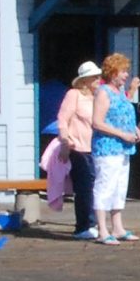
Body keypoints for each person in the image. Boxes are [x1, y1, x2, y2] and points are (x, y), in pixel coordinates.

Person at [89, 54, 140, 244]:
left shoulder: (120, 92)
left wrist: (136, 131)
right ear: (112, 72)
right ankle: (102, 230)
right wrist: (122, 134)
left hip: (123, 149)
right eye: (123, 71)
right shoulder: (103, 92)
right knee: (105, 187)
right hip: (107, 148)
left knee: (120, 187)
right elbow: (97, 122)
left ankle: (118, 227)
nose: (126, 75)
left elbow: (125, 118)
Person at [55, 61, 101, 240]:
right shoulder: (73, 94)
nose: (98, 79)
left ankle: (95, 222)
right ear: (85, 80)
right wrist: (65, 143)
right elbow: (62, 120)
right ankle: (84, 225)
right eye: (95, 77)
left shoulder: (97, 97)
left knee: (95, 187)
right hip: (78, 148)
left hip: (96, 148)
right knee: (85, 188)